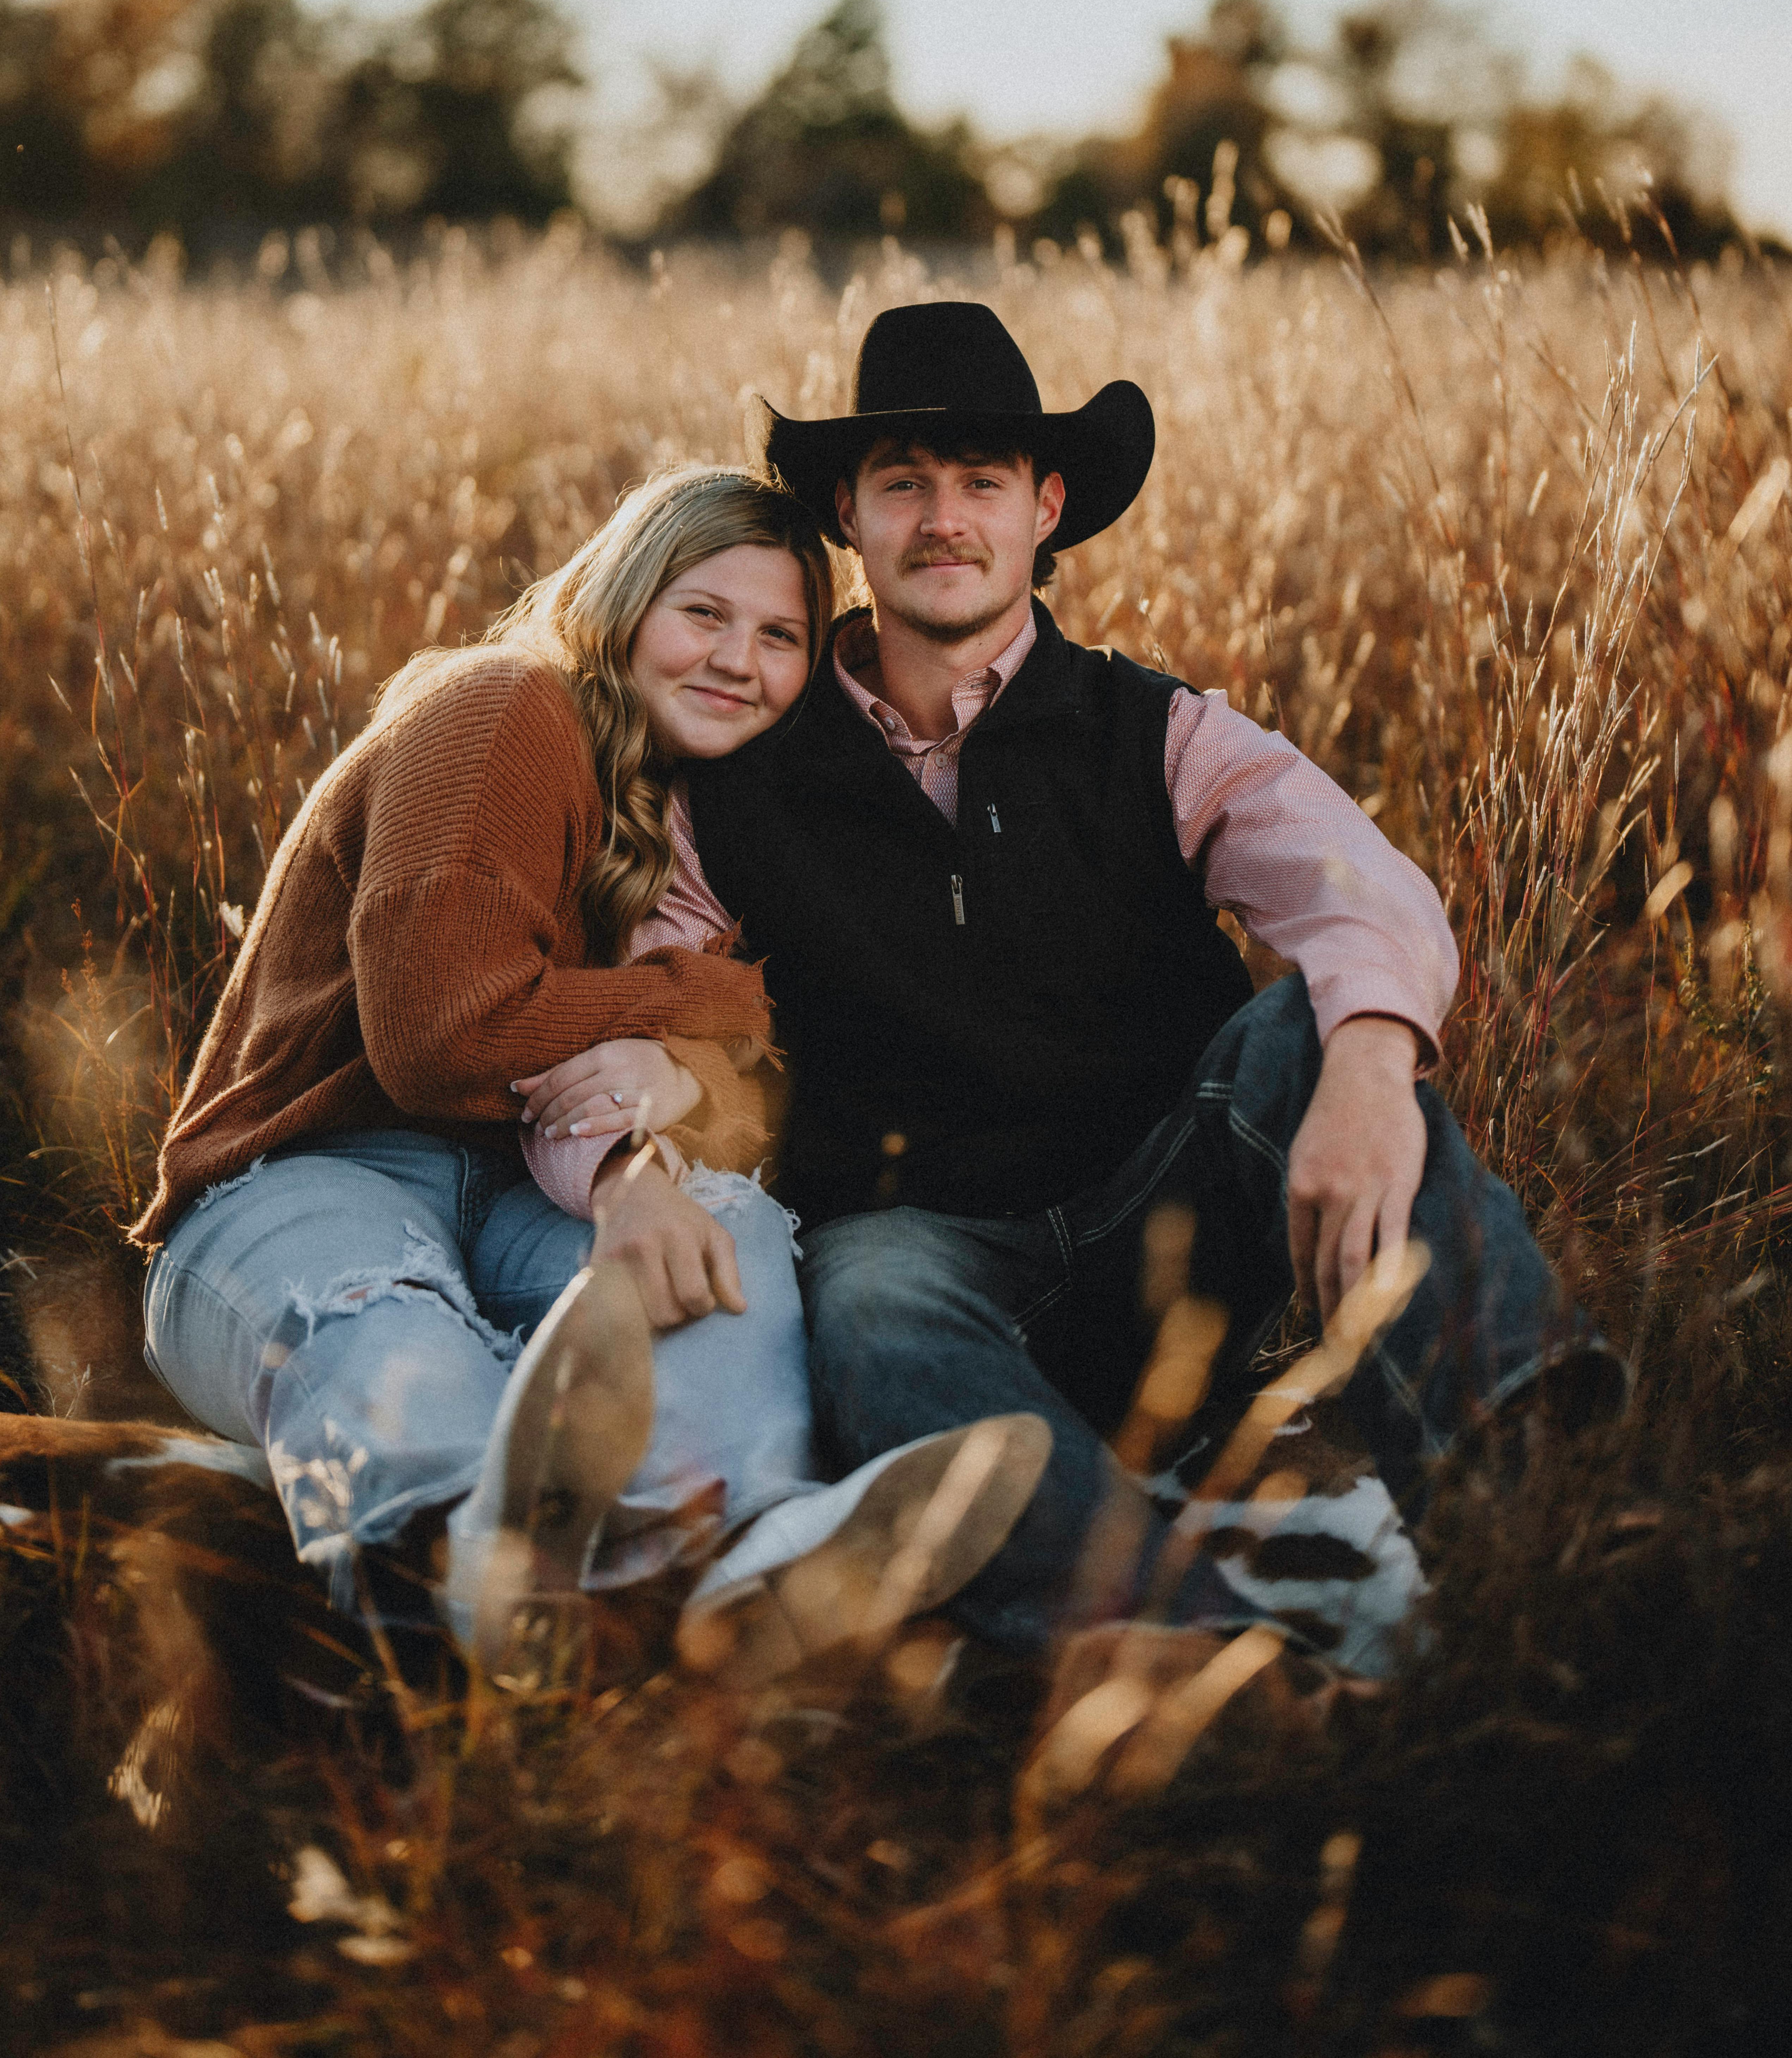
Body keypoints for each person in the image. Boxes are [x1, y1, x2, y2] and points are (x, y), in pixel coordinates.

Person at [673, 303, 1621, 1657]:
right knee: (863, 1292)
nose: (946, 518)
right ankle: (1184, 1650)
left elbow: (1361, 888)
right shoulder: (748, 783)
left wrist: (1365, 1070)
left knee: (1313, 1028)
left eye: (984, 483)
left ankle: (1538, 1504)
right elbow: (656, 998)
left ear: (1046, 508)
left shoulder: (1154, 730)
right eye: (905, 484)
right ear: (849, 513)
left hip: (1168, 1233)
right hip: (929, 1261)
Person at [133, 464, 1048, 1683]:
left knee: (724, 1233)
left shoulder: (687, 809)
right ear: (622, 603)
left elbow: (728, 1092)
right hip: (309, 1176)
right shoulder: (502, 709)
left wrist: (652, 1147)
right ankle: (467, 1556)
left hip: (525, 1189)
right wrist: (709, 1002)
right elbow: (445, 1035)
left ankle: (741, 1545)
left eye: (780, 637)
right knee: (389, 1319)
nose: (739, 660)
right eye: (703, 614)